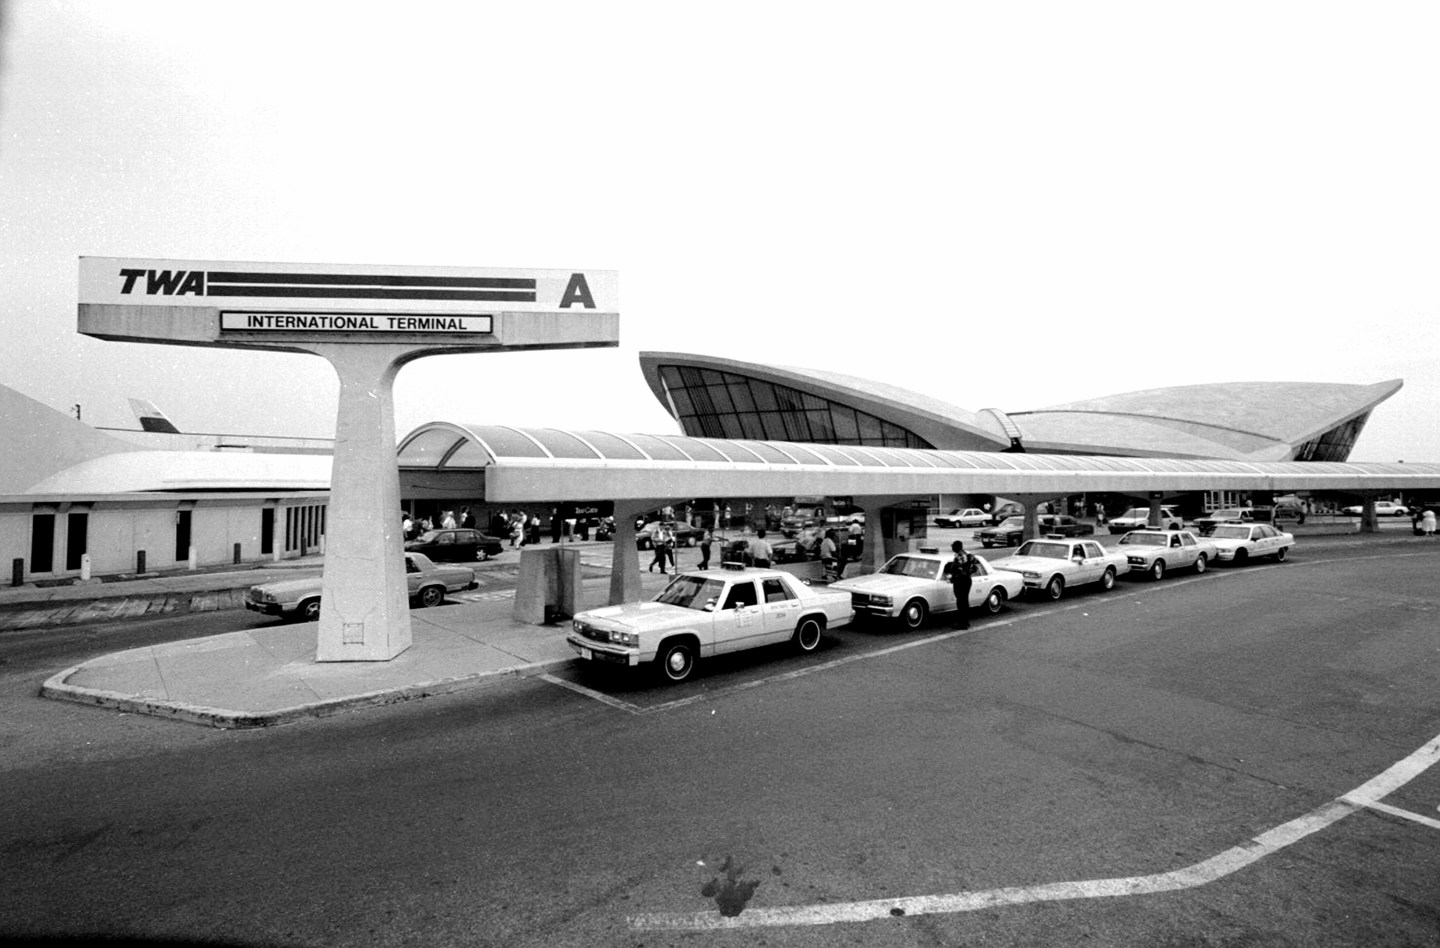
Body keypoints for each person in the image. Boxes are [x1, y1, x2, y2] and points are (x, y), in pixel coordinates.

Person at [949, 540, 975, 630]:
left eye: (953, 546)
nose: (952, 548)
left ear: (957, 547)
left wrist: (955, 575)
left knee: (961, 602)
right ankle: (965, 622)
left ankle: (963, 623)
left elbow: (962, 569)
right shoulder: (967, 554)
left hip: (962, 580)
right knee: (964, 601)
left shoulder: (960, 555)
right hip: (966, 580)